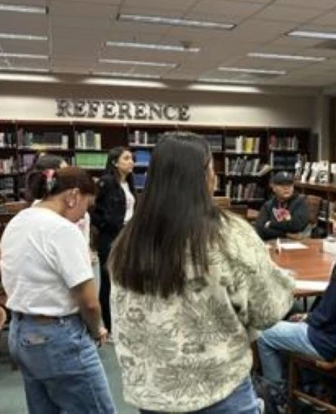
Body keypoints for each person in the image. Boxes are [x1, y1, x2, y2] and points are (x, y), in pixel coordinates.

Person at [108, 132, 294, 414]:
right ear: (202, 177)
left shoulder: (129, 240)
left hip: (155, 392)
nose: (216, 176)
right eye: (211, 168)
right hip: (220, 390)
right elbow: (267, 310)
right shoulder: (226, 234)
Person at [0, 166, 115, 413]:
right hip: (58, 335)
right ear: (73, 195)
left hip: (21, 331)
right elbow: (90, 301)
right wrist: (97, 330)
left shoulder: (18, 220)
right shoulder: (62, 230)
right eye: (87, 204)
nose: (85, 214)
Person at [257, 196, 336, 395]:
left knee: (264, 333)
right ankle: (311, 384)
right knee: (296, 312)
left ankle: (275, 394)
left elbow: (325, 316)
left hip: (332, 343)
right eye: (335, 218)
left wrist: (308, 319)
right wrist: (309, 317)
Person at [91, 147, 135, 335]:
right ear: (115, 162)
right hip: (110, 237)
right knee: (109, 282)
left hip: (128, 237)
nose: (131, 161)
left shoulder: (129, 183)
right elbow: (94, 210)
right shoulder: (106, 182)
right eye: (126, 158)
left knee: (125, 281)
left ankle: (123, 321)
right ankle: (108, 325)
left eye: (132, 158)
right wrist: (107, 226)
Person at [255, 171, 309, 240]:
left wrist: (272, 224)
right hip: (272, 242)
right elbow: (260, 229)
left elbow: (297, 225)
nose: (286, 188)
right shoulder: (268, 205)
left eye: (289, 185)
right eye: (282, 185)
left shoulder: (300, 202)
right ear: (274, 188)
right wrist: (286, 234)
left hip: (293, 245)